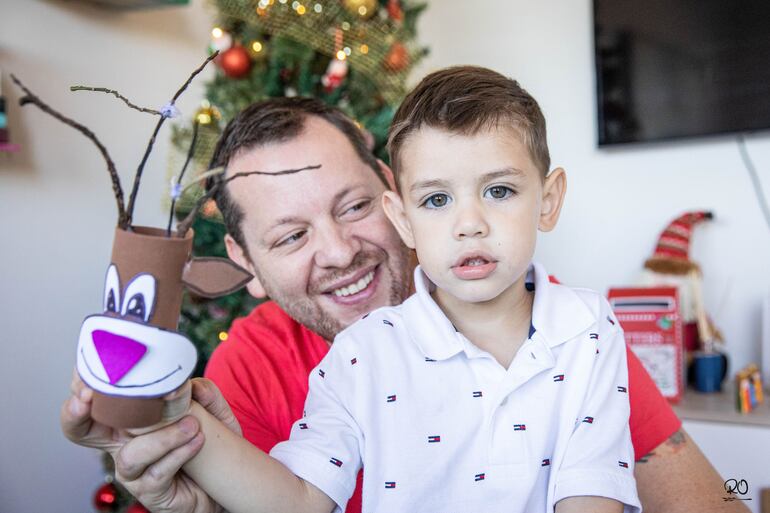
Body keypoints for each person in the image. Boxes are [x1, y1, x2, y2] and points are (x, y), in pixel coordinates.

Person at [62, 91, 746, 512]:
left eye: (354, 206)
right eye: (293, 234)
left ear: (387, 196)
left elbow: (616, 491)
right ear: (247, 264)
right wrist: (166, 412)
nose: (338, 250)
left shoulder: (577, 328)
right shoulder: (346, 357)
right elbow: (294, 497)